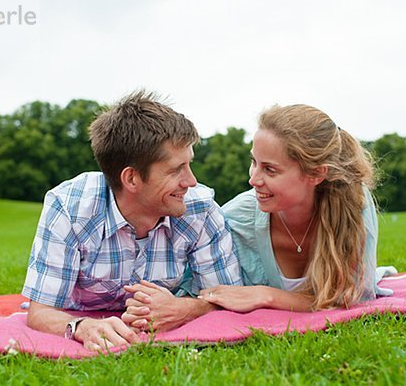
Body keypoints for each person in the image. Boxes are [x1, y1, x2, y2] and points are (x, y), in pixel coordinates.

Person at [22, 91, 242, 351]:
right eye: (175, 170)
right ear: (132, 179)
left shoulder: (200, 208)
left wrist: (186, 308)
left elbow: (227, 298)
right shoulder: (70, 207)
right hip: (81, 311)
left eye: (189, 165)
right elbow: (40, 311)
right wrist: (82, 326)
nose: (191, 181)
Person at [196, 104, 393, 312]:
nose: (253, 179)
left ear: (316, 174)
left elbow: (353, 298)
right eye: (254, 162)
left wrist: (267, 295)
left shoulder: (351, 201)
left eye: (270, 169)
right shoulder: (235, 219)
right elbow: (206, 294)